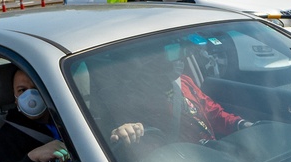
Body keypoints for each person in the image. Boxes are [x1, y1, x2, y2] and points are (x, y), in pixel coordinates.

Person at [107, 50, 250, 147]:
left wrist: (240, 124)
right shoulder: (137, 93)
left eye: (182, 56)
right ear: (155, 60)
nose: (180, 62)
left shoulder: (185, 81)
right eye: (172, 57)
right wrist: (123, 131)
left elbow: (213, 112)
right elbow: (130, 129)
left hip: (211, 152)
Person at [0, 67, 70, 162]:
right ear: (15, 98)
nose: (31, 96)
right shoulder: (4, 140)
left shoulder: (68, 118)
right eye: (22, 90)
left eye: (36, 88)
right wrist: (32, 157)